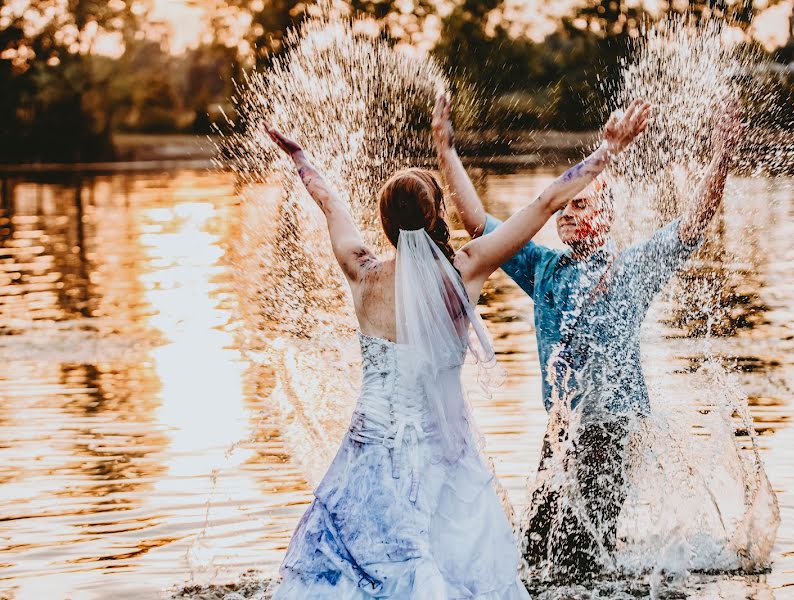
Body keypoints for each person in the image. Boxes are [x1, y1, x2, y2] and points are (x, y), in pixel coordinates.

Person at [262, 89, 650, 598]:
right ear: (436, 216)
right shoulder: (464, 270)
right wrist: (608, 151)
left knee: (368, 560)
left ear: (385, 225)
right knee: (445, 562)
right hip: (443, 451)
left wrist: (300, 158)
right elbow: (545, 202)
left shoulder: (360, 271)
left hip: (369, 446)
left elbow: (329, 201)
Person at [433, 93, 743, 581]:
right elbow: (479, 225)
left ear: (608, 215)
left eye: (581, 205)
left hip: (610, 430)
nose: (568, 215)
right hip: (562, 429)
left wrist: (722, 157)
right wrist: (447, 153)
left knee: (577, 565)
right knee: (534, 554)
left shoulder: (632, 268)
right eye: (564, 208)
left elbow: (693, 222)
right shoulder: (542, 269)